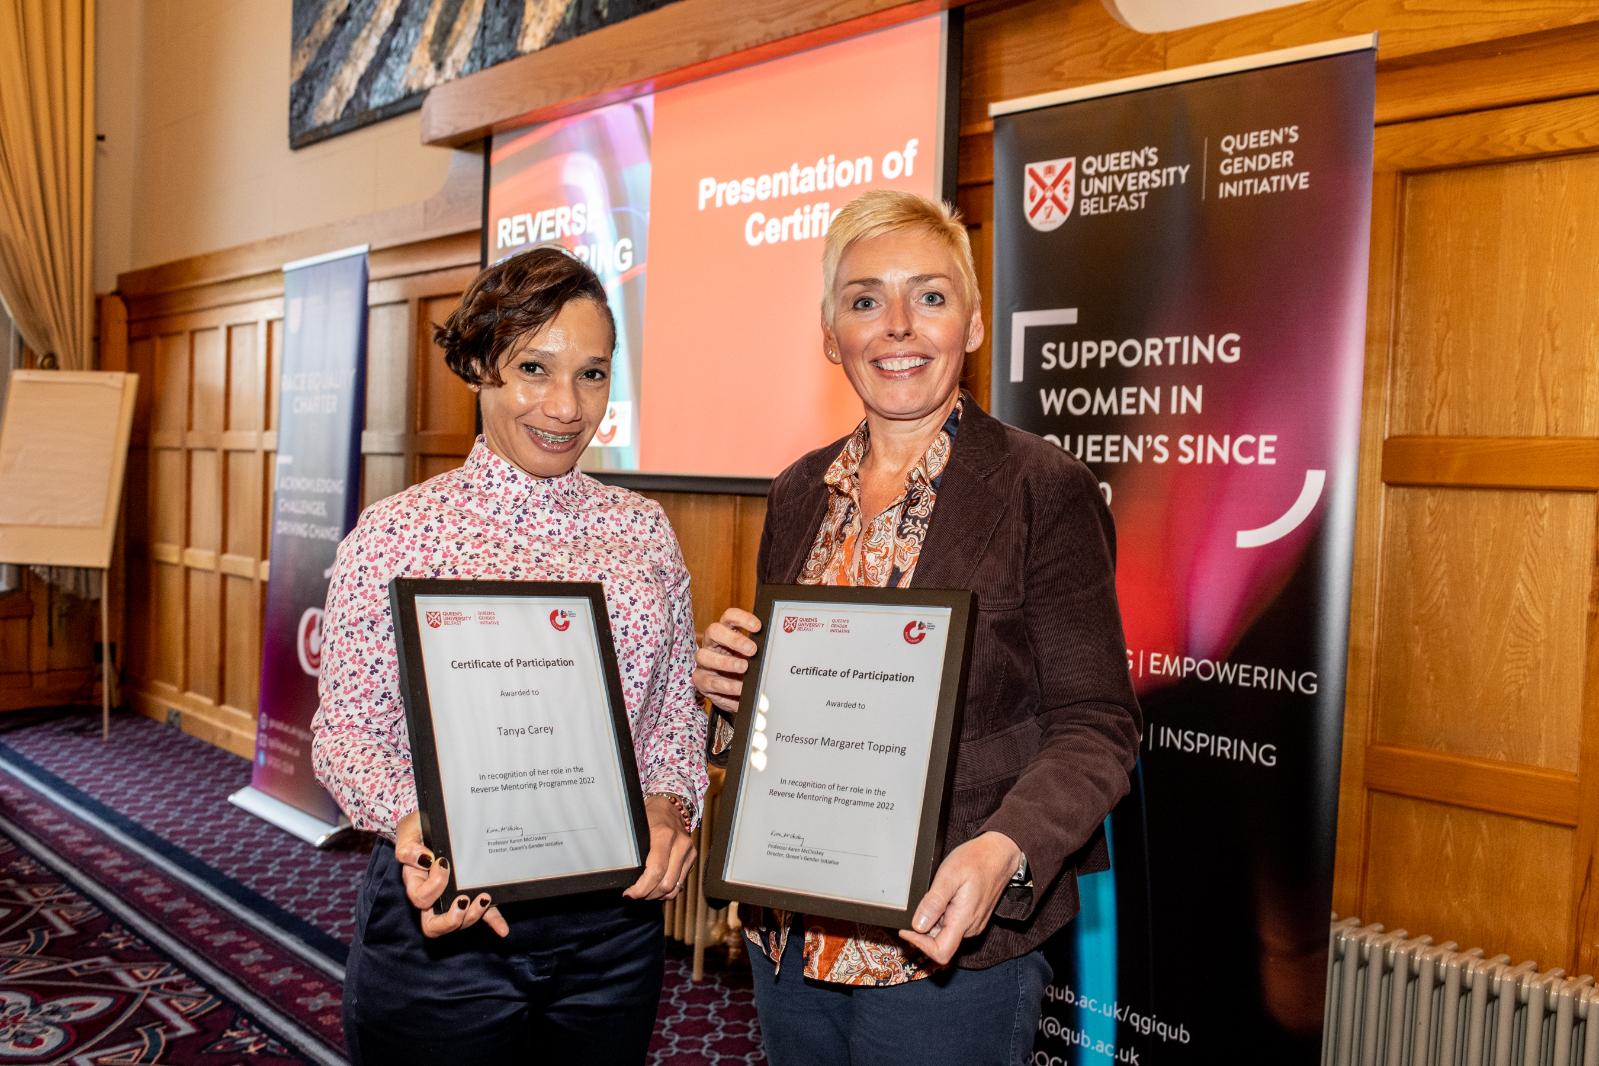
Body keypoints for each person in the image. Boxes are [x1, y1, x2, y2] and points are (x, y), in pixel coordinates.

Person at [692, 190, 1141, 1066]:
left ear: (970, 324)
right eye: (865, 300)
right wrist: (735, 694)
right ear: (832, 336)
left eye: (929, 296)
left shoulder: (1042, 488)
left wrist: (1005, 850)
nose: (897, 325)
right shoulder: (798, 492)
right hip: (789, 932)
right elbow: (796, 711)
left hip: (947, 944)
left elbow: (1096, 724)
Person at [312, 246, 706, 1066]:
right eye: (534, 368)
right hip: (445, 922)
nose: (566, 405)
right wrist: (415, 823)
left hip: (612, 927)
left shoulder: (642, 531)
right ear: (478, 367)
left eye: (592, 375)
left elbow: (671, 715)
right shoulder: (396, 535)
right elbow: (346, 734)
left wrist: (671, 803)